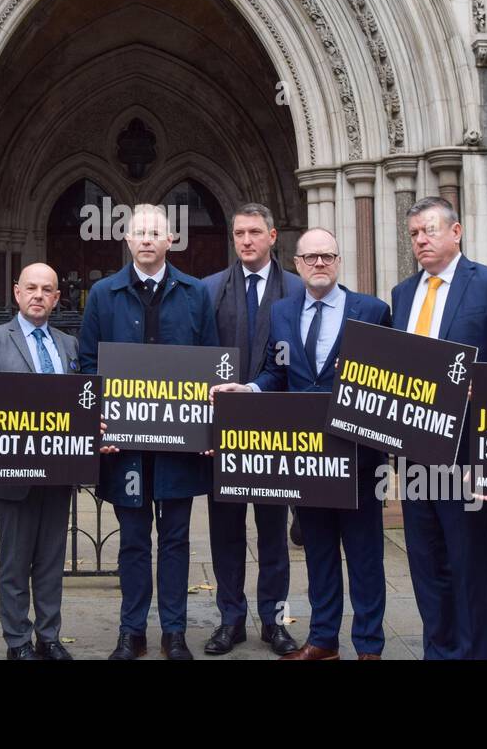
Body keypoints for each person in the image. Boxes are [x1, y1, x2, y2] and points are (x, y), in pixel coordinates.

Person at [215, 227, 392, 660]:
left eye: (327, 256)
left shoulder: (372, 310)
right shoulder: (283, 312)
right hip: (308, 459)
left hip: (360, 456)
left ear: (338, 261)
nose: (318, 264)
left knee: (365, 554)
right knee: (318, 552)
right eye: (310, 257)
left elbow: (389, 378)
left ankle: (369, 645)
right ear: (296, 263)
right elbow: (279, 374)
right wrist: (251, 391)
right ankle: (324, 640)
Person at [78, 203, 218, 660]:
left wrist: (206, 425)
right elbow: (88, 366)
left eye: (155, 232)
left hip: (179, 446)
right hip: (124, 448)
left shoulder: (196, 293)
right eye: (138, 232)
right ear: (127, 238)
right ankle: (131, 630)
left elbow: (212, 365)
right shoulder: (103, 293)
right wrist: (101, 422)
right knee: (134, 541)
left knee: (176, 540)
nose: (146, 239)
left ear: (170, 239)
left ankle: (174, 632)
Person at [389, 196, 487, 660]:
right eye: (414, 234)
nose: (421, 240)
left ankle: (473, 653)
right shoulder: (403, 293)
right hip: (413, 450)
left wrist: (482, 381)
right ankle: (439, 651)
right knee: (426, 564)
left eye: (429, 230)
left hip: (467, 453)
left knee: (467, 564)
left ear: (456, 232)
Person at [0, 263, 79, 661]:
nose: (38, 295)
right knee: (14, 561)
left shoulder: (69, 345)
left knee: (52, 561)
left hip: (58, 472)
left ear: (57, 298)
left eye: (47, 290)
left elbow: (81, 403)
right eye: (31, 288)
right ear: (17, 293)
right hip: (10, 473)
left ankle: (49, 636)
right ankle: (18, 642)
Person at [200, 203, 302, 655]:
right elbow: (196, 359)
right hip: (221, 436)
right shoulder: (208, 290)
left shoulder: (297, 290)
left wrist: (256, 388)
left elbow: (299, 364)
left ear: (273, 236)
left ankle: (274, 623)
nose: (246, 240)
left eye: (254, 232)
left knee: (274, 535)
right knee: (225, 533)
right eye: (239, 232)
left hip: (274, 433)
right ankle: (230, 620)